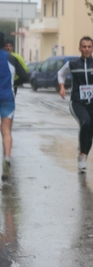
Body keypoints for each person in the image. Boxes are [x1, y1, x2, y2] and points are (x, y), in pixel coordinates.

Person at [58, 36, 93, 173]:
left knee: (90, 136)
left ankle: (83, 152)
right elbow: (61, 73)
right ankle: (82, 156)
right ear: (79, 48)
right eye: (84, 46)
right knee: (85, 122)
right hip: (77, 102)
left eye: (89, 46)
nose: (87, 49)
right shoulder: (72, 63)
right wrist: (62, 86)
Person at [0, 32, 28, 180]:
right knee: (6, 131)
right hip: (7, 97)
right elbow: (24, 76)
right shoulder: (11, 58)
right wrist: (13, 84)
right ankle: (7, 159)